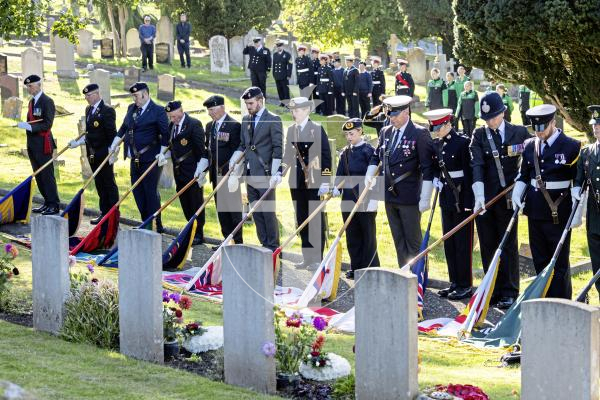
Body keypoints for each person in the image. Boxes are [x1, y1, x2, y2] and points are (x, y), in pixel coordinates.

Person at [512, 104, 580, 299]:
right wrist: (518, 192)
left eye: (542, 128)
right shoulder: (529, 145)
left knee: (559, 264)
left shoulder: (571, 146)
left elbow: (578, 181)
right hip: (535, 210)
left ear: (552, 122)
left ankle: (561, 304)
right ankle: (543, 301)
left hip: (559, 212)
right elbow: (524, 175)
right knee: (540, 260)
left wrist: (578, 208)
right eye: (535, 129)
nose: (538, 133)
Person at [469, 91, 531, 309]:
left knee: (508, 245)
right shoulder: (479, 135)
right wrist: (478, 196)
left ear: (503, 112)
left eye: (493, 117)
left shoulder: (519, 132)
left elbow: (530, 161)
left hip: (509, 199)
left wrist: (523, 188)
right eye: (486, 119)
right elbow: (476, 165)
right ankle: (491, 289)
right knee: (488, 244)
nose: (490, 122)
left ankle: (510, 290)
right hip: (486, 199)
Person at [366, 95, 434, 266]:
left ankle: (417, 280)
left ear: (406, 112)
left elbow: (427, 168)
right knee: (398, 240)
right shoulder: (385, 132)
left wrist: (426, 197)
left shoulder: (419, 133)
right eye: (389, 115)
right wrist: (370, 174)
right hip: (389, 196)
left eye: (395, 115)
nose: (391, 119)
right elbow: (377, 157)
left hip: (409, 196)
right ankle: (403, 275)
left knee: (413, 242)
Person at [425, 109, 474, 300]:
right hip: (446, 197)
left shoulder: (462, 143)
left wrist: (470, 202)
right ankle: (454, 282)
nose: (435, 131)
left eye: (438, 128)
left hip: (462, 199)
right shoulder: (437, 144)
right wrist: (437, 178)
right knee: (449, 243)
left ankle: (465, 284)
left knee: (463, 243)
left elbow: (469, 175)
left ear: (447, 124)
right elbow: (438, 167)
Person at [228, 87, 283, 251]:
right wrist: (234, 161)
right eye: (246, 104)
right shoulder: (246, 119)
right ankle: (263, 244)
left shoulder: (273, 119)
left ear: (260, 101)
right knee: (256, 211)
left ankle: (273, 247)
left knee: (268, 212)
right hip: (249, 173)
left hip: (266, 173)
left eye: (251, 103)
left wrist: (276, 172)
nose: (248, 107)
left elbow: (278, 148)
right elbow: (243, 145)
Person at [109, 82, 169, 233]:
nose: (134, 99)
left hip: (151, 159)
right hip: (134, 158)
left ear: (145, 94)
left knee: (150, 192)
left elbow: (166, 134)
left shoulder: (158, 111)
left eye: (136, 95)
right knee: (137, 192)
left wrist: (162, 153)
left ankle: (155, 224)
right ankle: (145, 222)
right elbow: (124, 128)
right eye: (133, 96)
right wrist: (114, 144)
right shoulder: (132, 109)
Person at [281, 97, 332, 269]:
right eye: (293, 110)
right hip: (296, 181)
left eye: (297, 110)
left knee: (315, 218)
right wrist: (279, 172)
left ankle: (317, 258)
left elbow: (326, 156)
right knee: (302, 217)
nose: (294, 113)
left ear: (306, 111)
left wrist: (326, 180)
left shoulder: (316, 129)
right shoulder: (291, 130)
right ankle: (307, 257)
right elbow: (288, 155)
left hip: (314, 181)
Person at [333, 118, 380, 279]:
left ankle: (371, 267)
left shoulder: (369, 151)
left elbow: (375, 175)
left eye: (351, 133)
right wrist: (335, 188)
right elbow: (340, 174)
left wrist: (373, 199)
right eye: (346, 134)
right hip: (348, 198)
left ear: (360, 131)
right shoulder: (345, 152)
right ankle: (356, 266)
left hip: (365, 198)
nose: (349, 137)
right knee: (352, 234)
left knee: (367, 234)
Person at [67, 83, 118, 224]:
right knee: (99, 184)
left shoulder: (107, 110)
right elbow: (89, 133)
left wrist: (112, 151)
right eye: (85, 96)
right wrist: (78, 142)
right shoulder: (88, 109)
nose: (87, 98)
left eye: (89, 95)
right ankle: (104, 213)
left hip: (104, 153)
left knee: (108, 183)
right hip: (92, 153)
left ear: (97, 94)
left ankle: (113, 215)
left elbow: (112, 133)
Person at [164, 101, 208, 245]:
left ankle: (198, 234)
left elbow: (201, 150)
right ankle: (189, 230)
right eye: (171, 117)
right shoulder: (172, 126)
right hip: (179, 171)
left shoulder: (194, 124)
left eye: (175, 116)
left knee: (195, 202)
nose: (173, 119)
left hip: (193, 171)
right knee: (185, 202)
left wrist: (201, 169)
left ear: (181, 111)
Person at [203, 95, 243, 247]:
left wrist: (235, 174)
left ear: (222, 108)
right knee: (222, 210)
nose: (210, 113)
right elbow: (208, 150)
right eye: (209, 110)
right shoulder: (209, 126)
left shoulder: (233, 126)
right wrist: (203, 168)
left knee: (233, 210)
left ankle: (238, 243)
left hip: (229, 174)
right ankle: (226, 240)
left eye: (212, 109)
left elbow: (238, 152)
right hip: (215, 174)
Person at [17, 74, 59, 215]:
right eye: (27, 86)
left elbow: (48, 124)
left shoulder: (47, 101)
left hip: (43, 144)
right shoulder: (31, 102)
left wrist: (30, 127)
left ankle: (54, 204)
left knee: (47, 175)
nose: (29, 88)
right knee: (39, 176)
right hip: (33, 145)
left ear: (38, 85)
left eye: (31, 86)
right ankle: (46, 202)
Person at [574, 105, 600, 300]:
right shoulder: (587, 153)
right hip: (594, 217)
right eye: (594, 125)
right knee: (597, 261)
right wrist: (575, 189)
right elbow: (579, 180)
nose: (596, 128)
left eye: (599, 125)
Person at [272, 40, 293, 107]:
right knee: (279, 89)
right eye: (277, 46)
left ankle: (287, 103)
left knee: (285, 90)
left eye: (280, 46)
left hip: (284, 75)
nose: (279, 47)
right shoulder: (275, 55)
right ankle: (282, 102)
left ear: (283, 46)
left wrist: (289, 75)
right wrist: (273, 74)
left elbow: (290, 65)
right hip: (277, 75)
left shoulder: (287, 55)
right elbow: (274, 65)